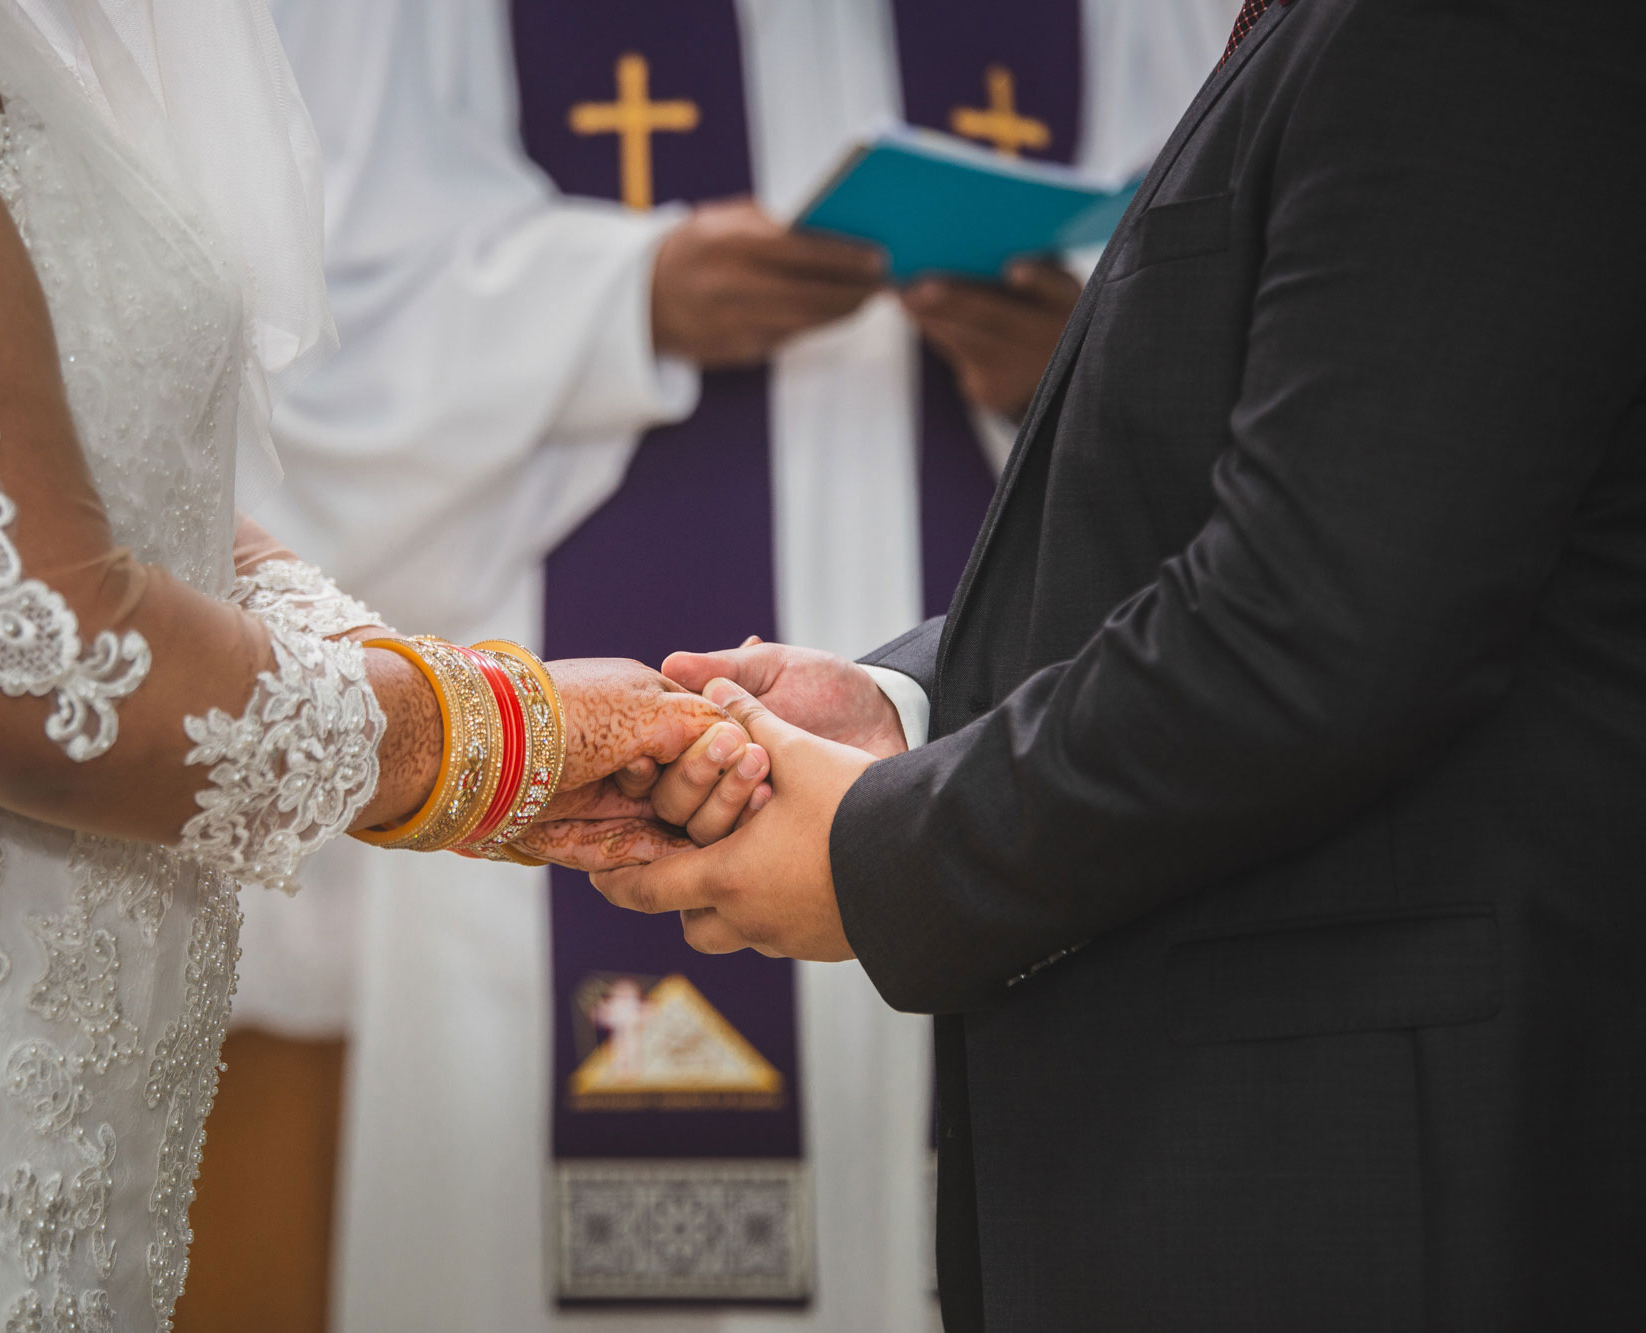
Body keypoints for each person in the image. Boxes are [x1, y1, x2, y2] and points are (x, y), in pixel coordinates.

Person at [0, 1, 736, 1327]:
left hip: (52, 1047)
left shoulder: (16, 42)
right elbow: (40, 662)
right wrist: (496, 736)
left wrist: (430, 685)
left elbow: (116, 494)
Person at [601, 0, 1646, 1328]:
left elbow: (1314, 623)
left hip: (1374, 1165)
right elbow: (1293, 516)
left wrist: (874, 854)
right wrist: (911, 708)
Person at [244, 1, 1235, 1326]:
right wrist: (630, 297)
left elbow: (1249, 334)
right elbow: (298, 368)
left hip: (971, 714)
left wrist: (1082, 360)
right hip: (565, 713)